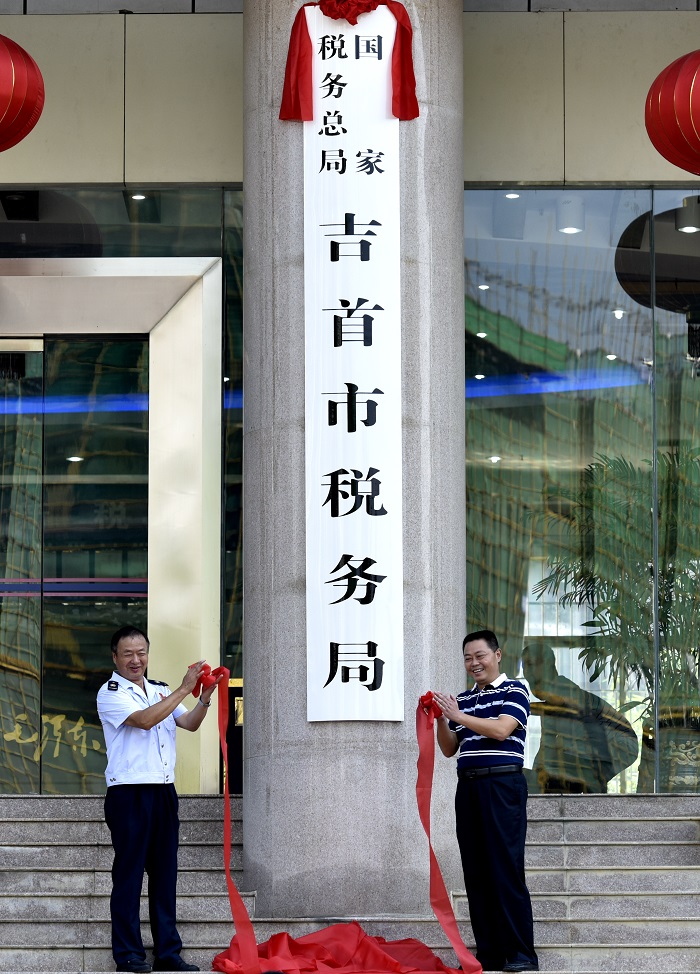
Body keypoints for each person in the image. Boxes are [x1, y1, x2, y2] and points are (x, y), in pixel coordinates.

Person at [97, 625, 224, 974]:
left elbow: (190, 724)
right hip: (129, 793)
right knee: (129, 876)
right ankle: (128, 955)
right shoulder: (110, 693)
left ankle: (168, 952)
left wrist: (204, 697)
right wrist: (185, 686)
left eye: (141, 653)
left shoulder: (160, 690)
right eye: (128, 654)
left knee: (165, 875)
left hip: (164, 792)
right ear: (115, 657)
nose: (136, 660)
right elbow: (144, 721)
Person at [432, 630, 538, 974]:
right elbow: (449, 749)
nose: (474, 663)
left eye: (480, 655)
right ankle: (489, 954)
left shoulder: (515, 689)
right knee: (476, 872)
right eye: (467, 658)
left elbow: (501, 729)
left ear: (497, 655)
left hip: (503, 784)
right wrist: (439, 718)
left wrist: (457, 715)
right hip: (469, 788)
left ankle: (522, 954)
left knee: (505, 869)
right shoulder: (463, 699)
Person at [522, 643, 638, 794]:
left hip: (619, 744)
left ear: (547, 665)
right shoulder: (552, 701)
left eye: (530, 664)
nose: (526, 671)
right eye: (524, 665)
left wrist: (520, 707)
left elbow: (559, 705)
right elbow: (546, 744)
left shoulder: (560, 687)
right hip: (602, 749)